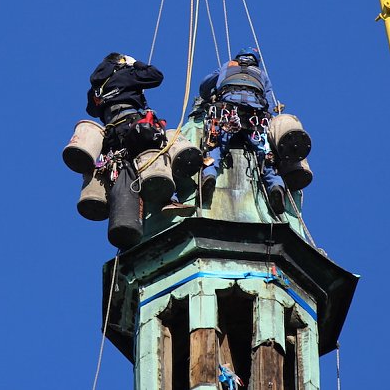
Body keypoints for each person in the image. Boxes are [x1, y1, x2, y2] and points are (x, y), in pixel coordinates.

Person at [86, 53, 192, 250]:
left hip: (112, 137)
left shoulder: (96, 89)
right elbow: (156, 76)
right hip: (132, 126)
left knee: (125, 172)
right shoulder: (125, 74)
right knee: (157, 152)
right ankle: (167, 200)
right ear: (120, 63)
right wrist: (135, 64)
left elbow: (91, 110)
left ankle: (129, 218)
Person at [198, 48, 287, 214]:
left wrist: (207, 96)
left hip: (227, 110)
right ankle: (275, 185)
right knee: (266, 153)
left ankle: (209, 175)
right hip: (255, 115)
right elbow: (268, 99)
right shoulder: (260, 74)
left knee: (215, 144)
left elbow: (205, 84)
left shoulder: (227, 66)